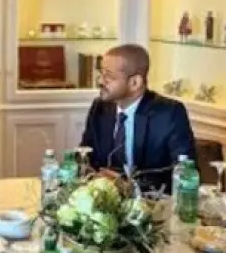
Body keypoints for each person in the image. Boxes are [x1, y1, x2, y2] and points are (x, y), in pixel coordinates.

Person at [80, 43, 196, 191]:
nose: (100, 81)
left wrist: (129, 186)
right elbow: (85, 158)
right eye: (101, 74)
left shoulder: (169, 113)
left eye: (109, 76)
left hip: (152, 200)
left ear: (135, 83)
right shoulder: (100, 108)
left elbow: (184, 171)